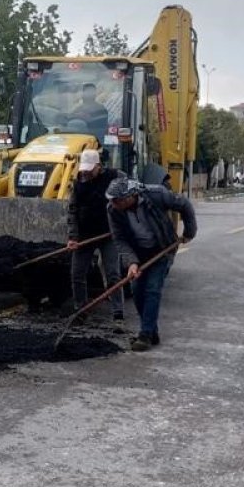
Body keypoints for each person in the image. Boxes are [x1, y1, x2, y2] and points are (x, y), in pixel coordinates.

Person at [105, 178, 198, 351]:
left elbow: (184, 204)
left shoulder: (156, 195)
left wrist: (189, 232)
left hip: (162, 247)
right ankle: (152, 332)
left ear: (129, 197)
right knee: (137, 291)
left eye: (116, 200)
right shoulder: (113, 210)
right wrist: (132, 262)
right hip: (138, 252)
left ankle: (145, 334)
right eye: (111, 200)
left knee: (152, 289)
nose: (112, 204)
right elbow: (120, 239)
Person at [66, 149, 124, 325]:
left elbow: (128, 193)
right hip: (85, 235)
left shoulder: (114, 177)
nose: (86, 173)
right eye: (84, 170)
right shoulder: (78, 184)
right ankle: (81, 310)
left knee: (113, 273)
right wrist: (73, 237)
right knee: (77, 273)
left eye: (90, 169)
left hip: (109, 234)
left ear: (99, 166)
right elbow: (72, 212)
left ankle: (118, 314)